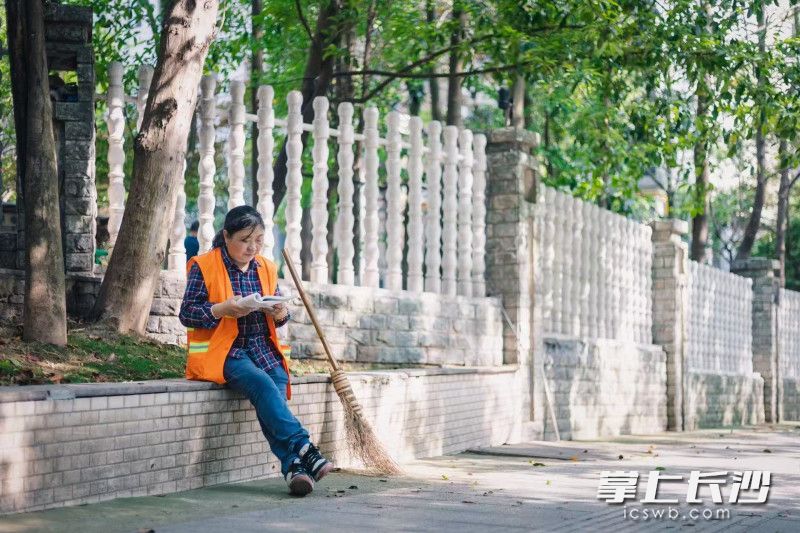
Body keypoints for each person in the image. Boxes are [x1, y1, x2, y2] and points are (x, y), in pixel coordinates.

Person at [178, 205, 333, 496]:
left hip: (262, 347)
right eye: (245, 240)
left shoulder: (266, 266)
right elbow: (187, 313)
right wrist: (223, 308)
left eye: (259, 239)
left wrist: (279, 311)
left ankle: (293, 467)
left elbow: (281, 317)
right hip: (224, 351)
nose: (253, 247)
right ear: (226, 236)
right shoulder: (204, 265)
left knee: (274, 388)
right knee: (262, 385)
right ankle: (305, 447)